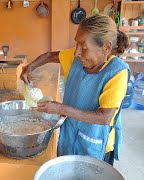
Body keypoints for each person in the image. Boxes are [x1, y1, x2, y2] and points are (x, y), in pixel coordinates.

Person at [20, 14, 130, 166]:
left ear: (106, 48)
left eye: (83, 46)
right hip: (70, 135)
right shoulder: (76, 59)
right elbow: (50, 56)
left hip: (97, 142)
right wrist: (29, 68)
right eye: (76, 44)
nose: (77, 52)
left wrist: (60, 108)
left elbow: (104, 117)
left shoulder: (117, 73)